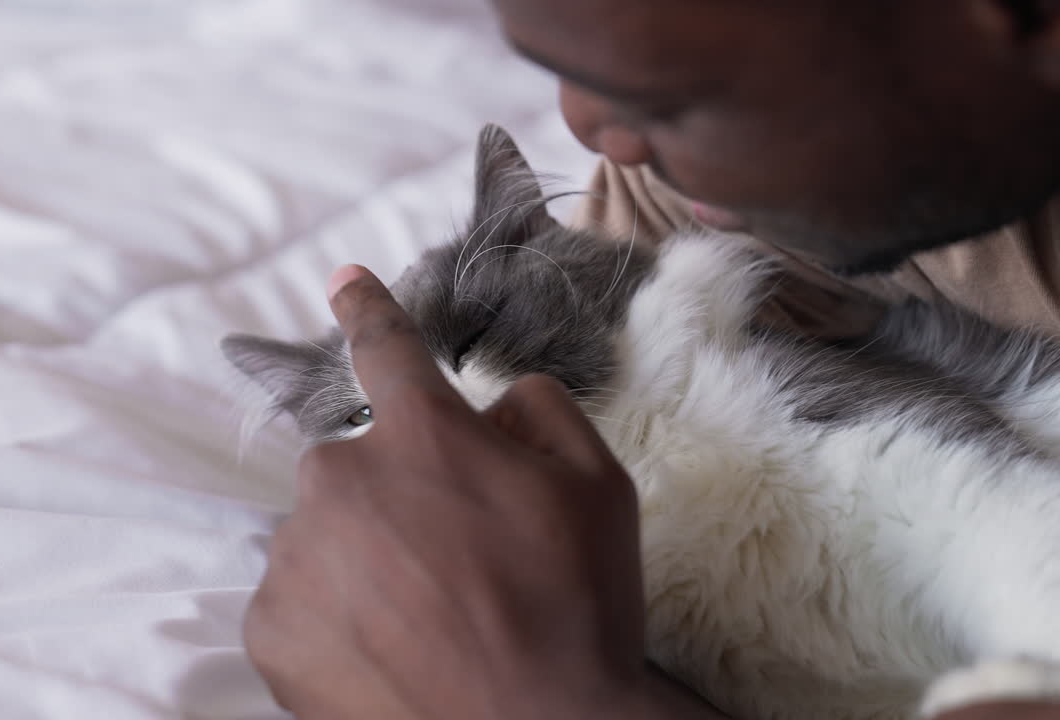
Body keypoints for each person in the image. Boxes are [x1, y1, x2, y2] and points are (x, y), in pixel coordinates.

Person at [242, 0, 1060, 718]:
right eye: (558, 70)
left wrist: (538, 698)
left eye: (677, 96)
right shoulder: (721, 190)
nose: (593, 133)